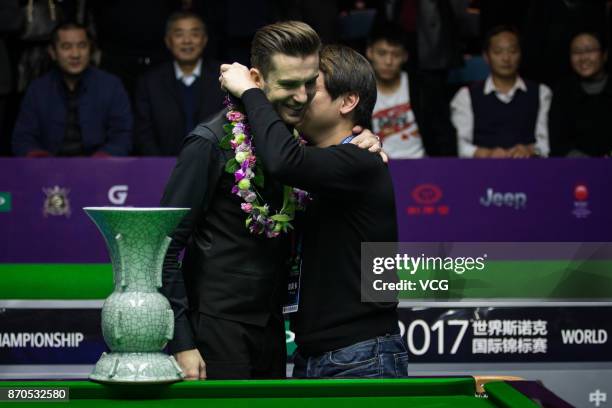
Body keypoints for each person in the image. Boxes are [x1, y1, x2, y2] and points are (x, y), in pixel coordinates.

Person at [160, 21, 380, 380]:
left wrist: (366, 140)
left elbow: (332, 144)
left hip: (274, 329)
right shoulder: (209, 142)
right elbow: (163, 249)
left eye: (310, 83)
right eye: (289, 85)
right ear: (256, 81)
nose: (302, 95)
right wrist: (182, 342)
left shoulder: (298, 141)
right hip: (217, 328)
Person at [220, 44, 406, 378]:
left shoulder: (360, 160)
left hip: (359, 356)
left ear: (348, 102)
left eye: (311, 87)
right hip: (317, 354)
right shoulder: (324, 164)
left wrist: (250, 90)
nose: (300, 97)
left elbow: (283, 160)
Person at [12, 22, 132, 157]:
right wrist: (39, 160)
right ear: (53, 53)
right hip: (49, 170)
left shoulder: (111, 86)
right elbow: (22, 137)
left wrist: (104, 158)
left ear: (90, 49)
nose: (75, 54)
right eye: (66, 47)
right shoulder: (37, 89)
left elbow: (123, 135)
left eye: (82, 46)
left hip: (99, 169)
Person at [450, 25, 551, 158]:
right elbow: (460, 145)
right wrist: (486, 153)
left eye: (512, 51)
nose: (506, 58)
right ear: (486, 57)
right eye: (498, 52)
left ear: (521, 54)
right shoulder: (466, 95)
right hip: (482, 172)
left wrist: (530, 150)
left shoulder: (541, 93)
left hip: (529, 170)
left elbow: (545, 143)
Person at [134, 11, 224, 156]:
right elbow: (143, 134)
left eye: (194, 34)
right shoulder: (150, 82)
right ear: (168, 41)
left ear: (204, 40)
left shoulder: (223, 76)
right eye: (179, 34)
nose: (187, 41)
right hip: (163, 169)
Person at [366, 25, 425, 159]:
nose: (388, 61)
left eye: (396, 55)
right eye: (382, 53)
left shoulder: (421, 88)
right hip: (380, 166)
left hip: (421, 164)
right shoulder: (362, 91)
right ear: (369, 53)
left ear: (405, 57)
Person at [550, 31, 612, 157]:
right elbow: (558, 142)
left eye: (589, 50)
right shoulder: (563, 92)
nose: (583, 58)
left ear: (604, 55)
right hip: (576, 169)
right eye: (577, 52)